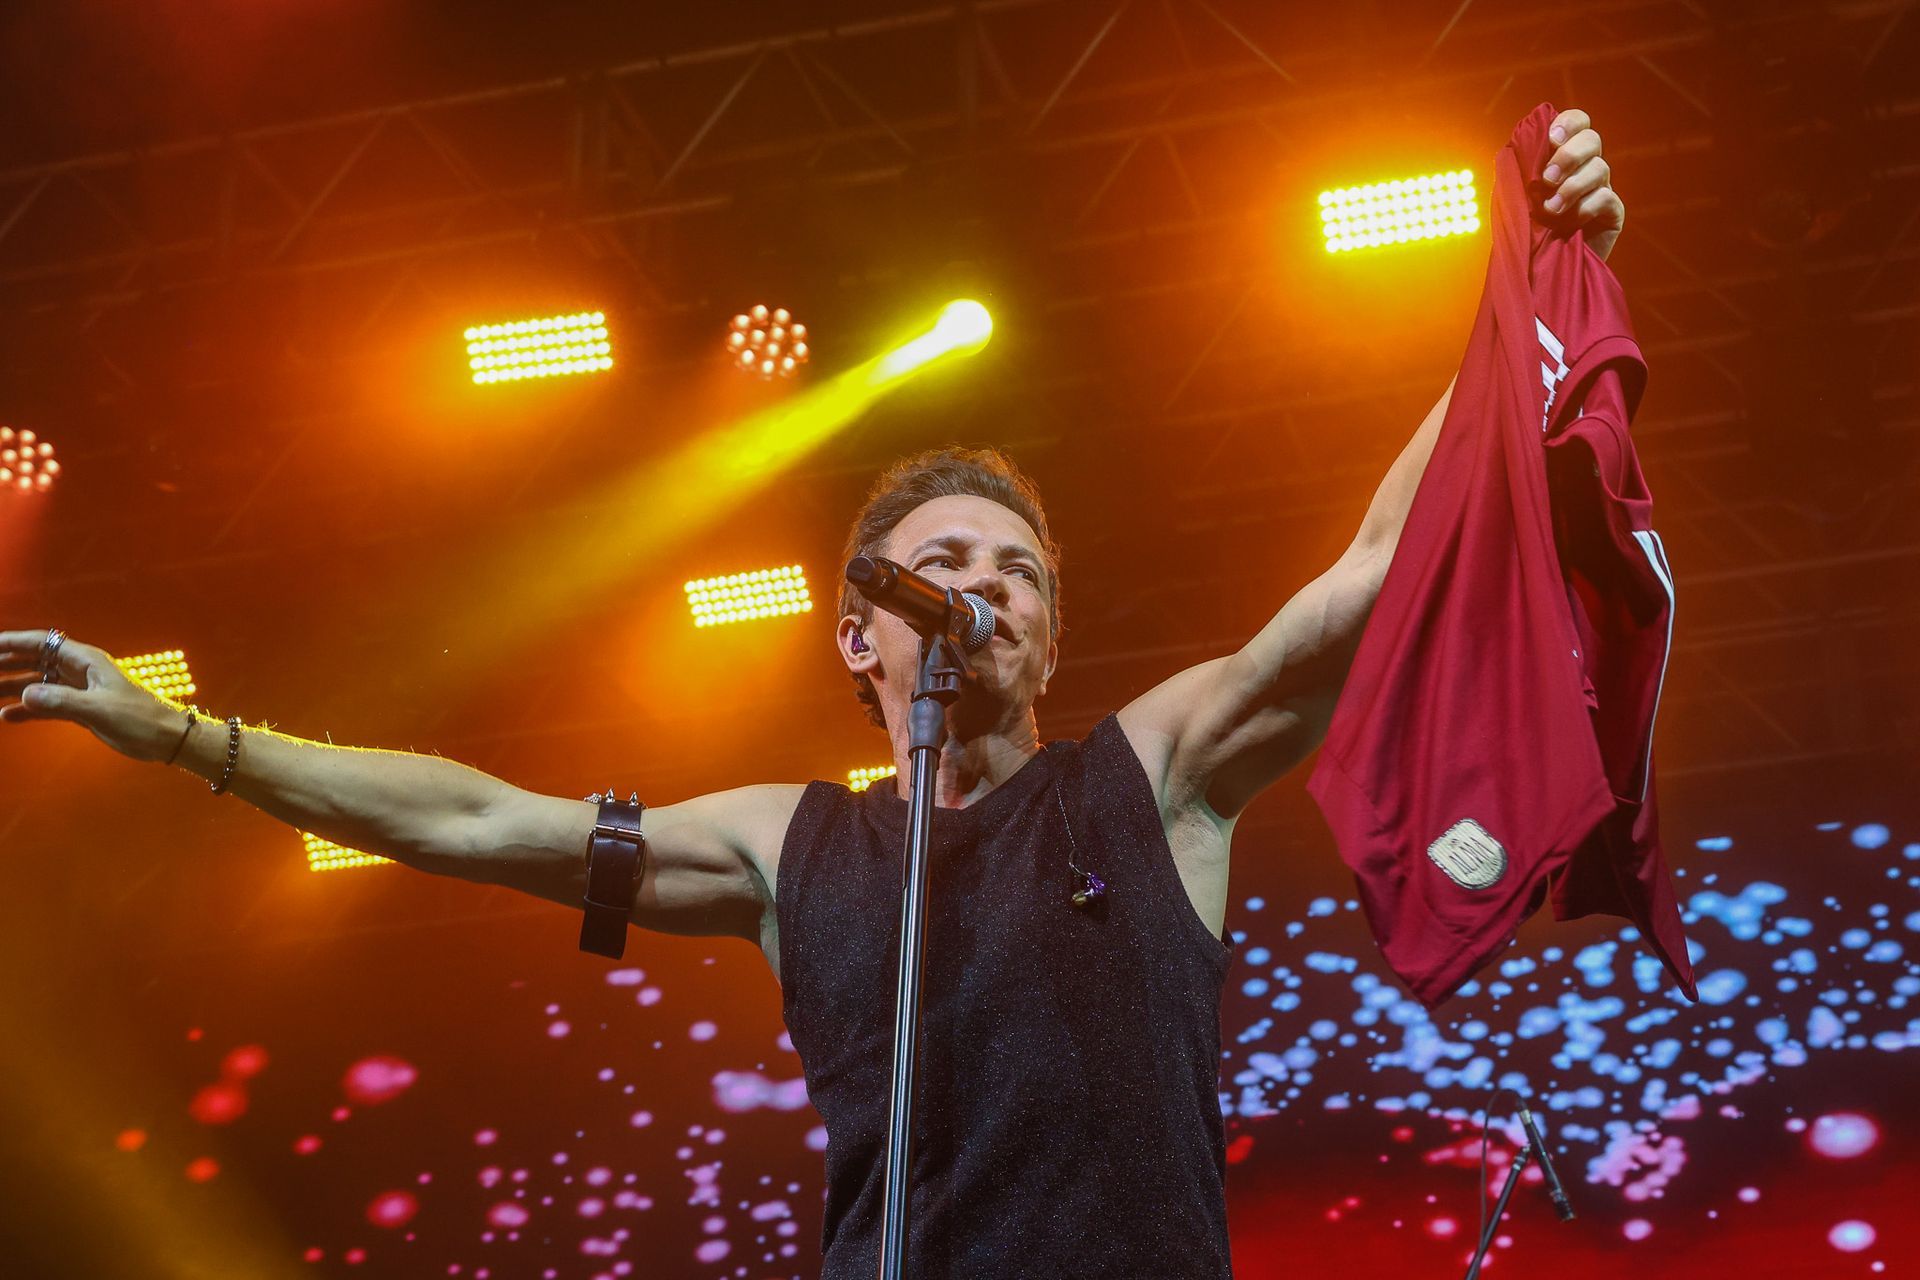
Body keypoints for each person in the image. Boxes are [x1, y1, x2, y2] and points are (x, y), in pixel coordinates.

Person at [3, 108, 1624, 1279]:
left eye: (1018, 569)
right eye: (941, 563)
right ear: (860, 637)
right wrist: (187, 736)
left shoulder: (1150, 775)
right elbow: (483, 820)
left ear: (1052, 635)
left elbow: (1362, 579)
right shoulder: (798, 849)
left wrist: (1529, 303)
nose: (982, 584)